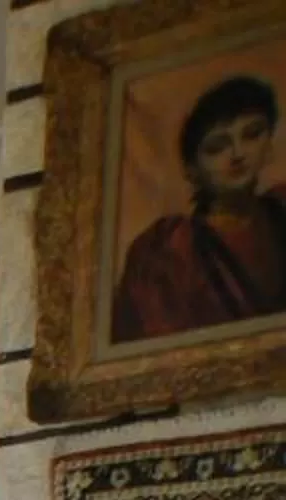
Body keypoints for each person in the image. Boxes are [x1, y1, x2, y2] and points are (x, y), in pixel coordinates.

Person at [113, 72, 286, 343]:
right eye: (217, 147)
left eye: (252, 134)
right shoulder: (170, 249)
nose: (238, 154)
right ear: (192, 170)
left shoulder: (281, 210)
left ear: (269, 144)